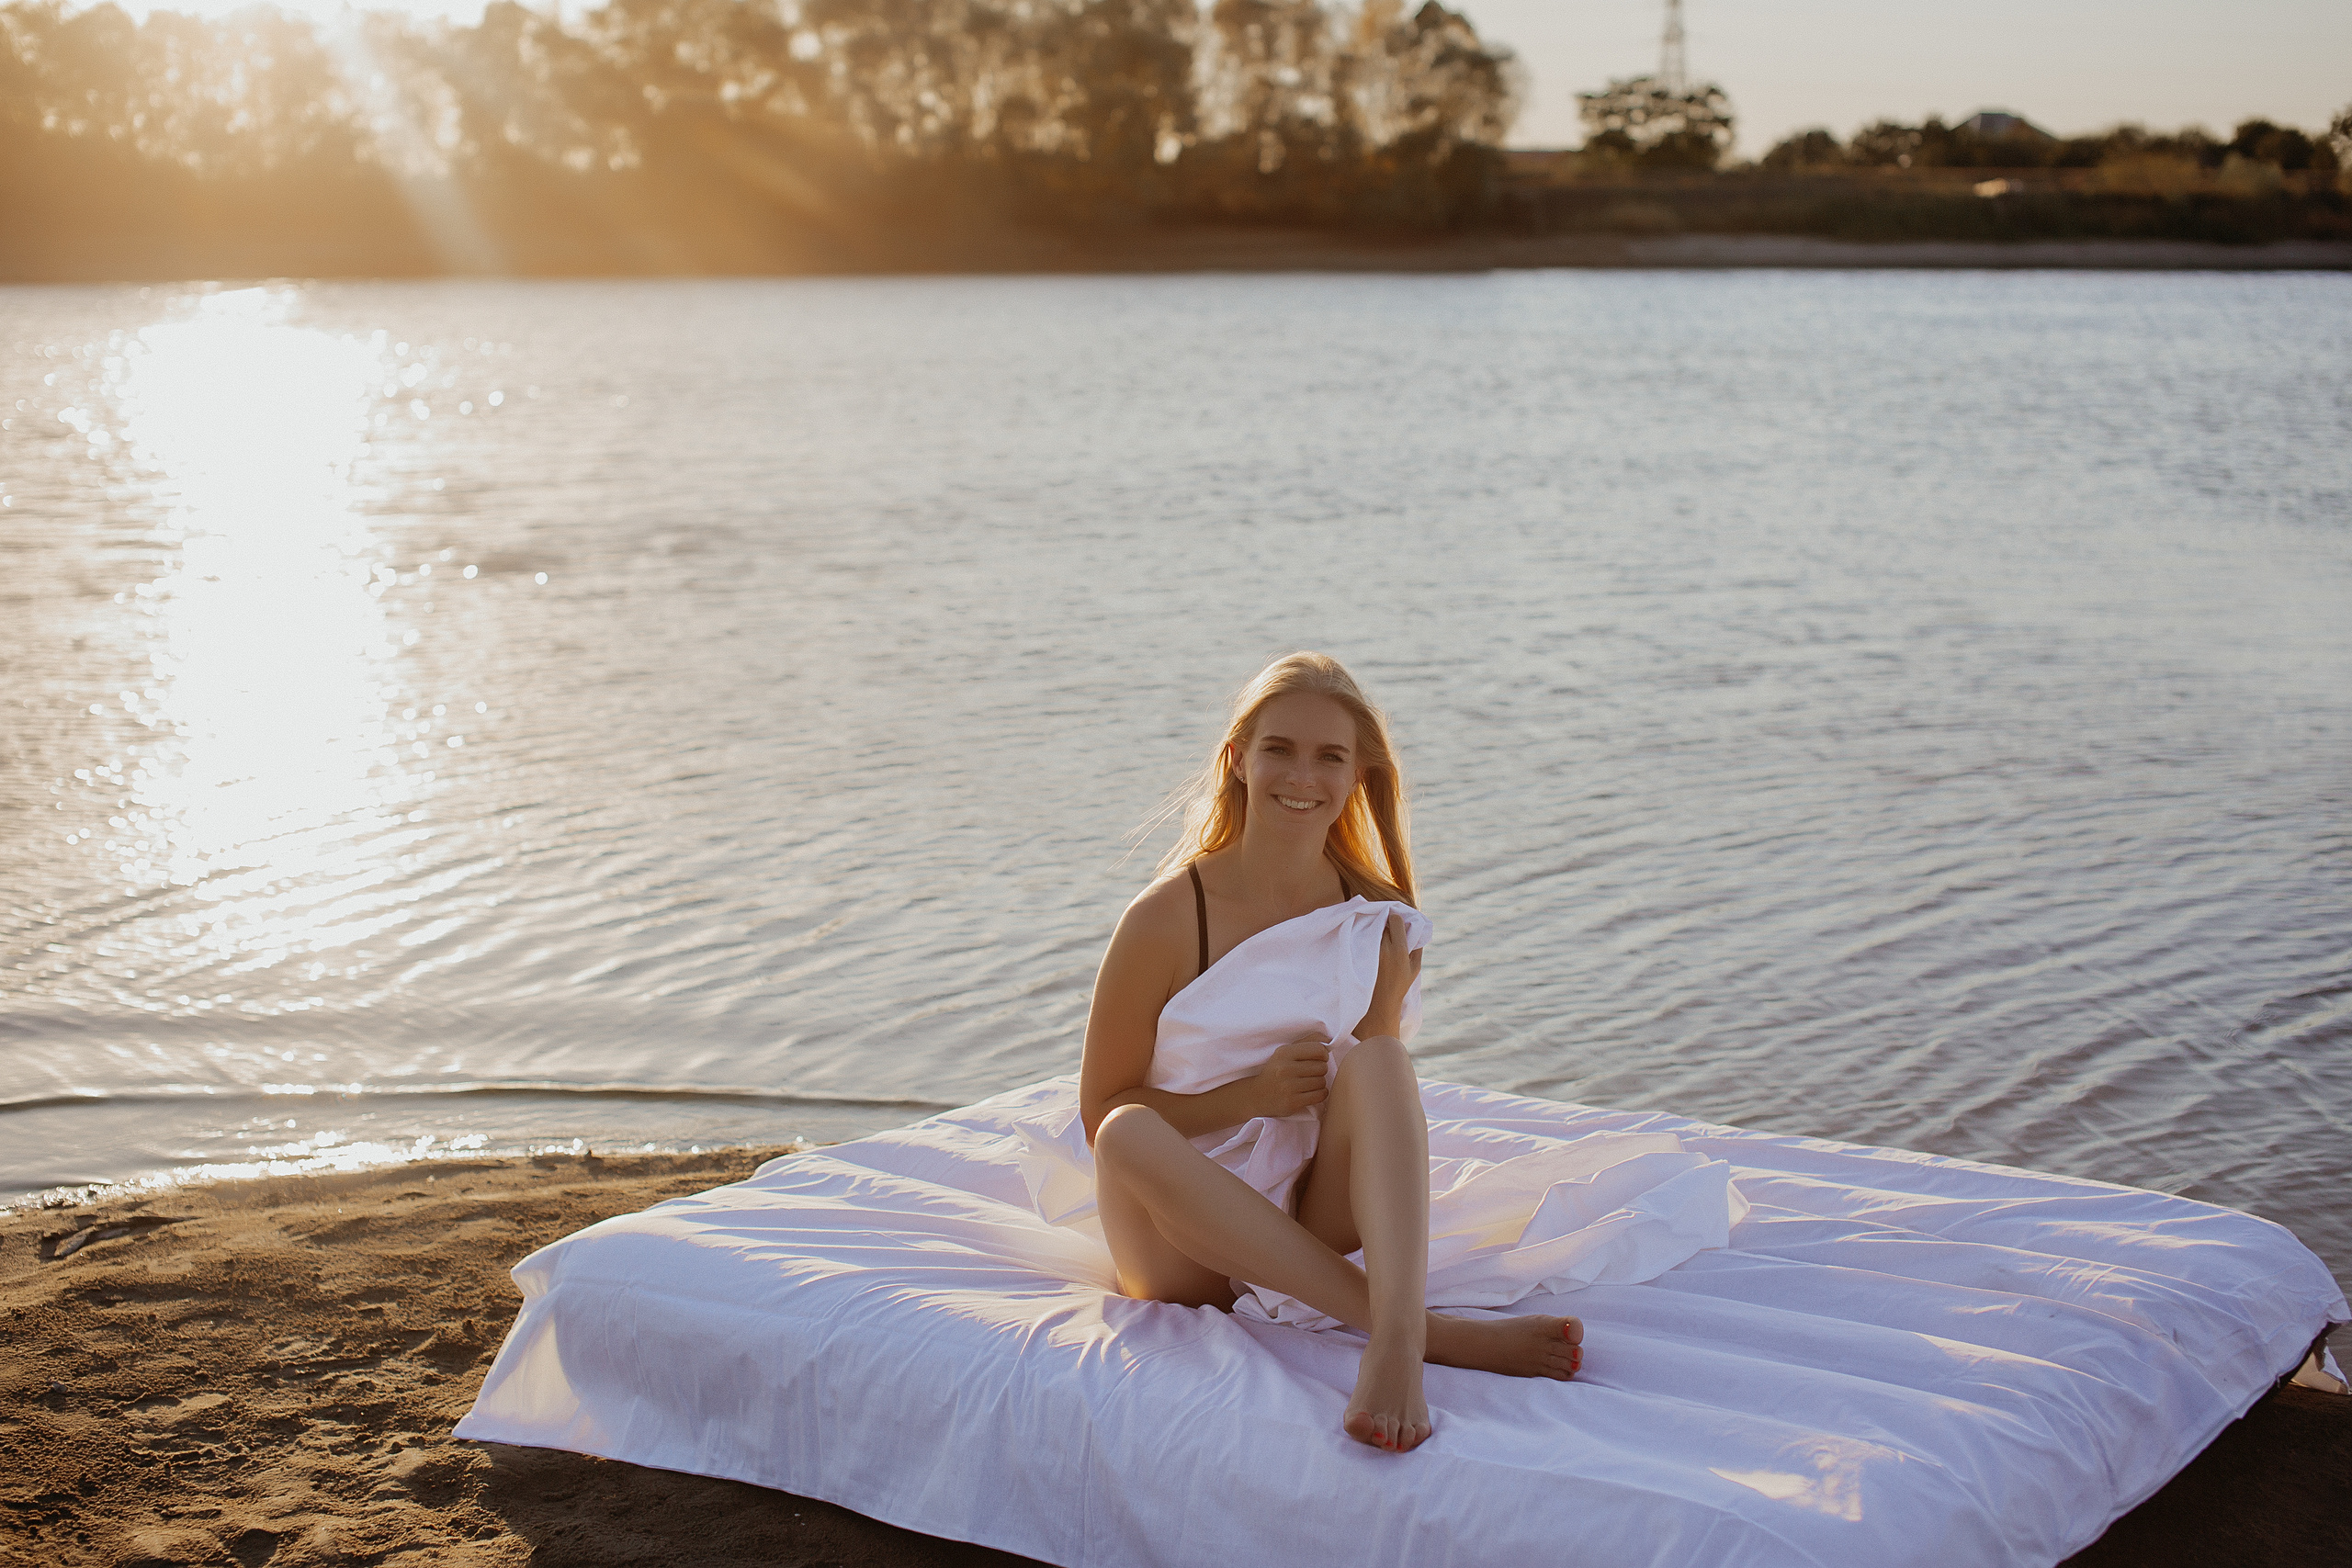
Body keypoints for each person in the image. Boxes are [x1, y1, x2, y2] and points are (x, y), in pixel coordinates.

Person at [1080, 652, 1583, 1456]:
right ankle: (1427, 1331)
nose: (1301, 776)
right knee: (1123, 1133)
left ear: (1358, 775)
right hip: (1180, 1239)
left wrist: (1379, 1020)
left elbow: (1370, 1100)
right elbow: (1099, 1108)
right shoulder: (1168, 918)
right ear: (1237, 759)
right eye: (1279, 749)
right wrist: (1246, 1099)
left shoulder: (1376, 914)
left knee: (1383, 1060)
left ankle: (1395, 1344)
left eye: (1329, 756)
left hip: (1309, 1215)